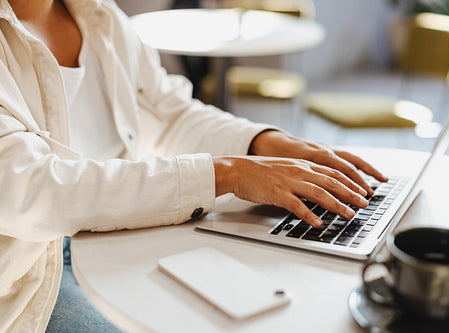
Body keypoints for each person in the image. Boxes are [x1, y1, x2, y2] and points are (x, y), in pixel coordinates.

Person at [0, 0, 387, 331]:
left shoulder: (98, 14)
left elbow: (168, 113)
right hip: (28, 276)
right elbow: (30, 190)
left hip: (116, 233)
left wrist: (263, 143)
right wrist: (229, 173)